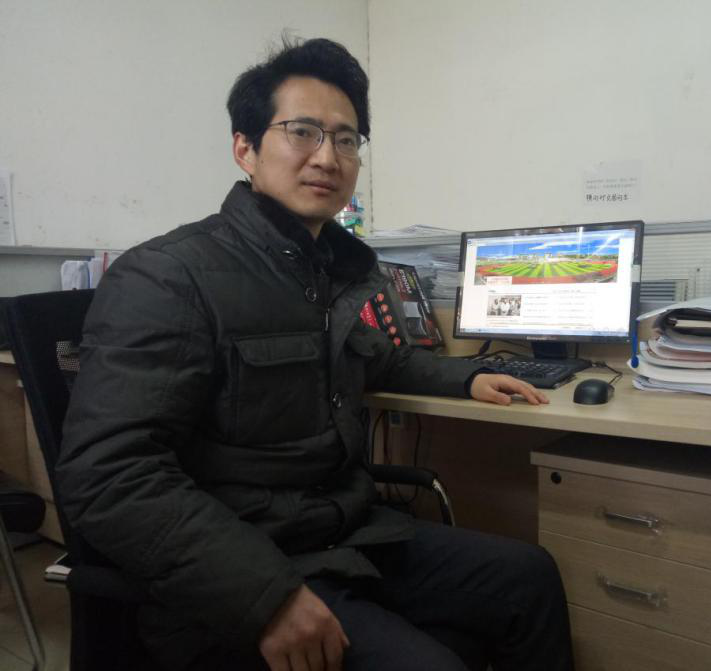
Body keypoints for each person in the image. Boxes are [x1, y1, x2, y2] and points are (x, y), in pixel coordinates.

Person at [57, 37, 574, 671]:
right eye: (302, 132)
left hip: (343, 536)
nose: (328, 157)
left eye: (347, 139)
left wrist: (468, 378)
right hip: (242, 564)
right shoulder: (170, 276)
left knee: (528, 577)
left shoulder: (327, 270)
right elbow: (108, 474)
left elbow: (378, 360)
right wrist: (265, 597)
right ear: (245, 148)